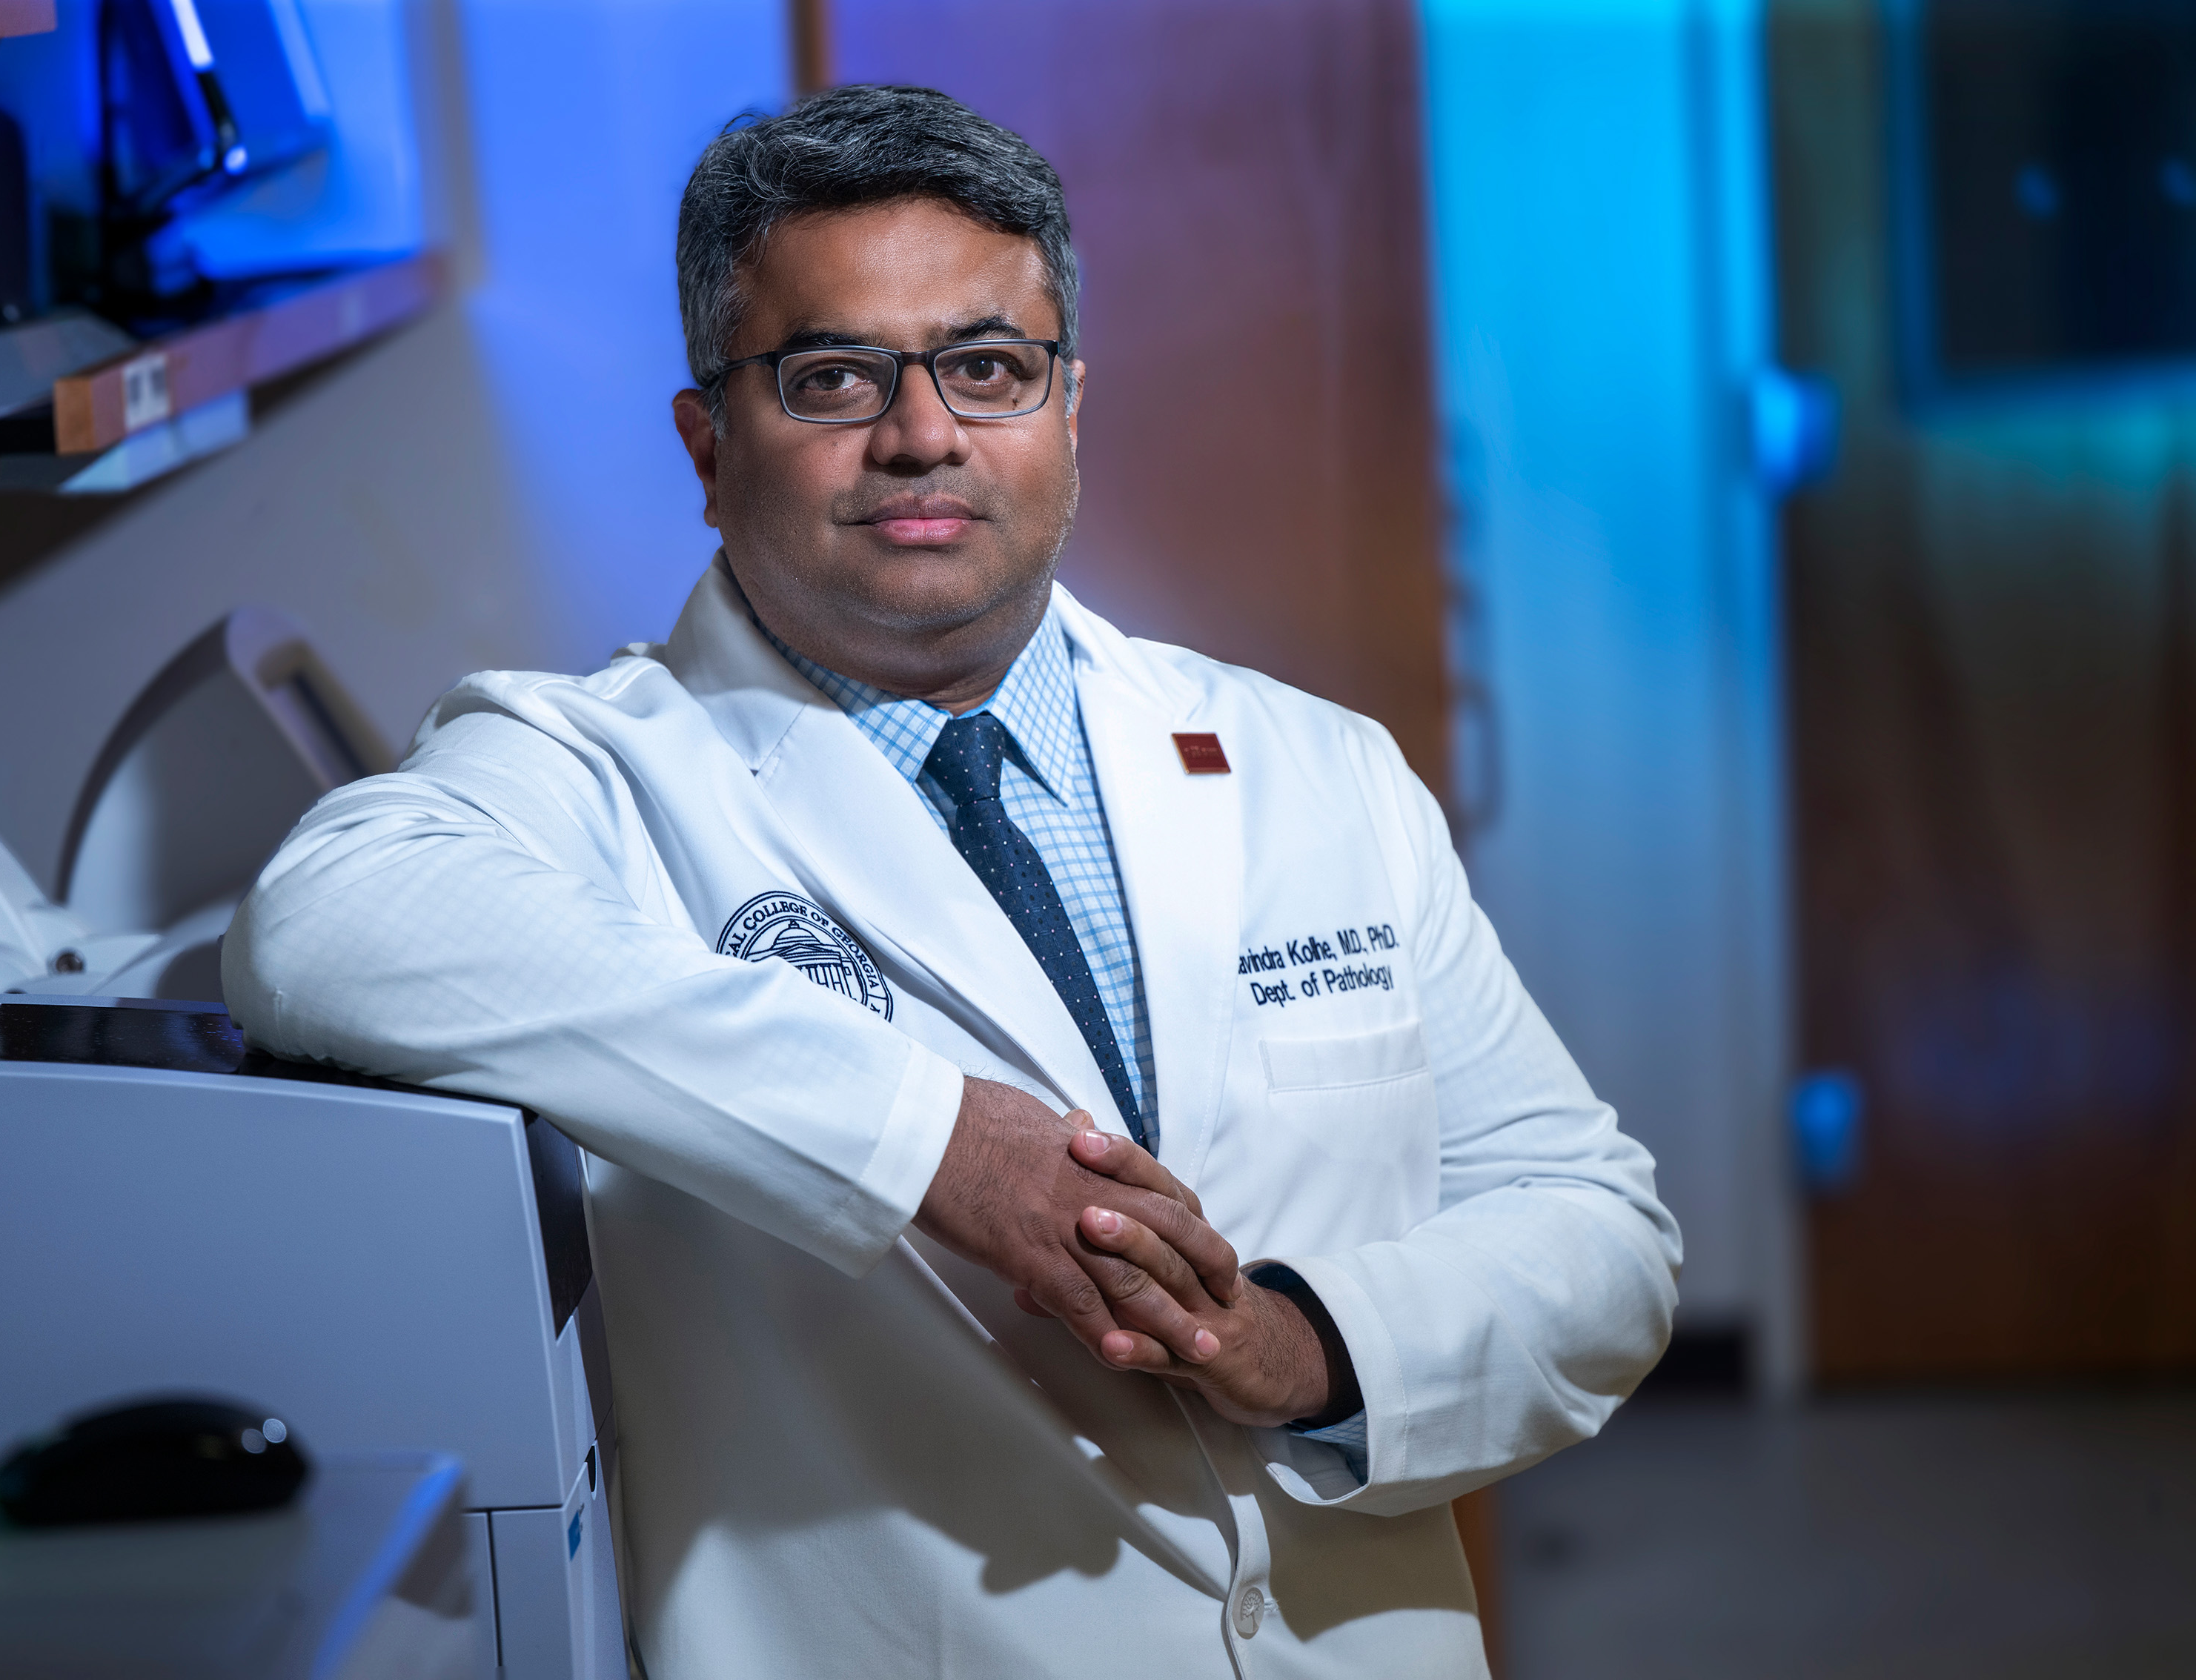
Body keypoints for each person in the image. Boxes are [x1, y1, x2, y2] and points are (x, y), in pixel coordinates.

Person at [224, 84, 1677, 1679]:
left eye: (986, 368)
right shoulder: (601, 770)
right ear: (707, 446)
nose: (921, 435)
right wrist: (934, 1147)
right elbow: (327, 921)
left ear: (1067, 414)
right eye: (831, 376)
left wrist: (1303, 1345)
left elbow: (1595, 1236)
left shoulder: (1309, 766)